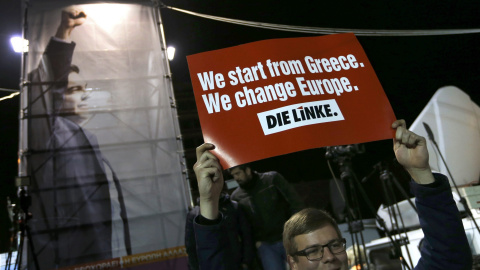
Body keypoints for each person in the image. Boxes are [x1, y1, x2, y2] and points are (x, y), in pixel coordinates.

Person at [192, 119, 472, 270]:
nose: (329, 256)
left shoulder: (272, 181)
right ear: (292, 262)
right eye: (313, 251)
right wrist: (208, 203)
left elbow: (448, 260)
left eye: (335, 245)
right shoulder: (239, 197)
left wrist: (421, 174)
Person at [27, 7, 130, 268]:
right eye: (73, 89)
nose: (83, 95)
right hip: (67, 255)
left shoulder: (88, 137)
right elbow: (46, 87)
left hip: (98, 249)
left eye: (84, 88)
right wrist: (65, 31)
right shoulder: (45, 132)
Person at [228, 163, 304, 270]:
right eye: (233, 175)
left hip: (287, 237)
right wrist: (256, 243)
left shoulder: (271, 179)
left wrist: (296, 231)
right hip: (266, 245)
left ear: (248, 170)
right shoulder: (237, 197)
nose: (236, 178)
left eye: (238, 173)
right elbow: (244, 226)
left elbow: (294, 203)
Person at [185, 192, 254, 270]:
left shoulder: (234, 207)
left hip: (235, 264)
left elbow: (247, 236)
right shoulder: (194, 215)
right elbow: (191, 248)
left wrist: (246, 263)